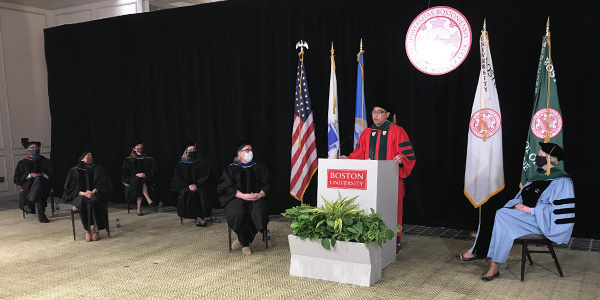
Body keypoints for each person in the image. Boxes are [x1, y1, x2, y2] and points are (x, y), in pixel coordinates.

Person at [481, 142, 575, 281]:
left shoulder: (561, 180)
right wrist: (517, 206)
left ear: (549, 158)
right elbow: (519, 198)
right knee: (499, 215)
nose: (537, 157)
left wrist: (530, 210)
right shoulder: (536, 177)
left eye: (541, 154)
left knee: (502, 216)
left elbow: (558, 209)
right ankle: (491, 262)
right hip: (525, 218)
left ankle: (492, 265)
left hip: (543, 222)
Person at [341, 102, 416, 253]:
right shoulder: (367, 132)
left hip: (391, 180)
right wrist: (349, 159)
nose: (375, 115)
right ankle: (370, 237)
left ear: (387, 114)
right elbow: (360, 154)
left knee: (394, 209)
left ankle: (395, 240)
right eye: (374, 112)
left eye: (380, 112)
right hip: (370, 180)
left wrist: (401, 158)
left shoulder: (397, 131)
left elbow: (407, 154)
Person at [218, 142, 271, 256]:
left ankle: (243, 240)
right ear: (239, 153)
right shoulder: (231, 169)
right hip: (237, 197)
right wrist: (243, 196)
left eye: (251, 150)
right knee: (236, 213)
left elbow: (267, 184)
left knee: (259, 212)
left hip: (256, 197)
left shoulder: (259, 167)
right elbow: (225, 187)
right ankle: (245, 243)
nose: (250, 152)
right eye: (247, 150)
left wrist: (259, 195)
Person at [63, 151, 113, 242]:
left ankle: (96, 230)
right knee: (83, 201)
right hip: (80, 196)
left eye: (91, 155)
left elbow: (103, 182)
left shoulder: (98, 168)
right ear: (82, 158)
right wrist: (83, 193)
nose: (90, 157)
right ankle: (87, 230)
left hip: (96, 194)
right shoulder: (74, 170)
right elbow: (70, 187)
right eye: (87, 155)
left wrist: (93, 191)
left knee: (95, 201)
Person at [171, 141, 211, 227]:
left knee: (199, 192)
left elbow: (206, 175)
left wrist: (197, 184)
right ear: (186, 152)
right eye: (190, 150)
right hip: (185, 186)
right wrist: (188, 186)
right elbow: (177, 178)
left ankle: (198, 218)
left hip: (200, 185)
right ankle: (198, 217)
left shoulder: (202, 162)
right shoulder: (180, 164)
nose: (193, 151)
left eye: (194, 149)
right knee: (188, 193)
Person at [14, 141, 54, 223]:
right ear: (28, 150)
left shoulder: (45, 161)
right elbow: (17, 179)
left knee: (39, 181)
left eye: (36, 148)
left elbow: (52, 175)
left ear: (39, 149)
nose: (34, 149)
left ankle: (30, 203)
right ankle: (41, 215)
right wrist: (29, 175)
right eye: (32, 148)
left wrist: (41, 174)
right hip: (28, 185)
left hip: (44, 184)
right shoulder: (22, 163)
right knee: (38, 190)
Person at [121, 140, 157, 216]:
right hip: (131, 178)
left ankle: (139, 209)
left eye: (141, 145)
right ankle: (148, 199)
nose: (140, 147)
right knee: (138, 180)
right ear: (134, 149)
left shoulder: (148, 159)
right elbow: (126, 172)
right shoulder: (128, 160)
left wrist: (144, 174)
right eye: (137, 146)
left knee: (139, 181)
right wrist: (137, 174)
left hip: (146, 178)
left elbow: (152, 171)